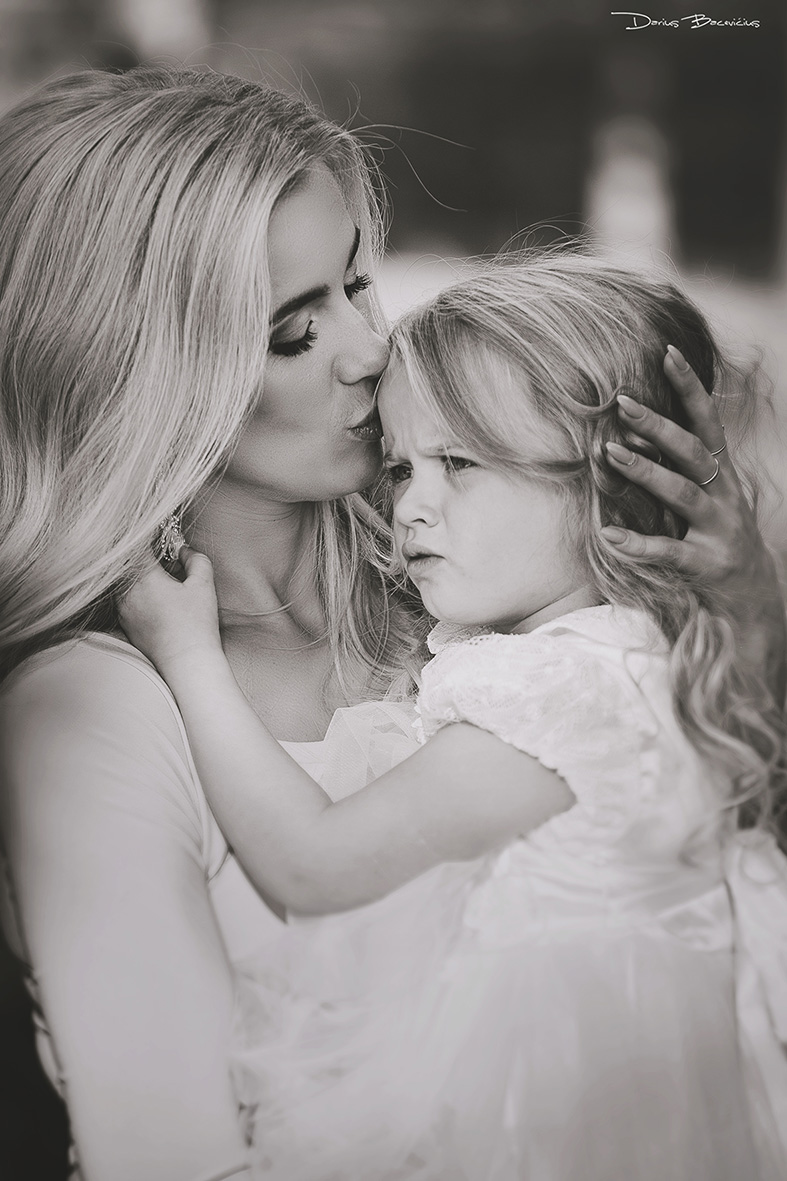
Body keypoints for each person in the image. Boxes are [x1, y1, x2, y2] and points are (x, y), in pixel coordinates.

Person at [0, 64, 781, 1181]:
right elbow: (169, 1155)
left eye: (358, 283)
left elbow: (707, 875)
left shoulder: (486, 582)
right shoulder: (94, 711)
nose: (371, 348)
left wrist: (737, 618)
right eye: (293, 330)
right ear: (137, 374)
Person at [121, 255, 787, 1181]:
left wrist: (189, 657)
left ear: (607, 482)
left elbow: (315, 863)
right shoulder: (635, 651)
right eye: (401, 467)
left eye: (461, 464)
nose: (409, 507)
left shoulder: (561, 693)